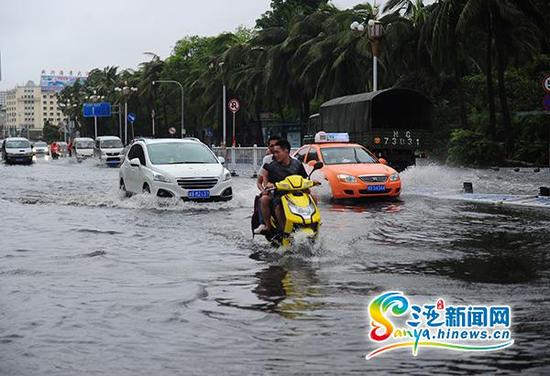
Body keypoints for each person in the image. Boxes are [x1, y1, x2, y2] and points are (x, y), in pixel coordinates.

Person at [255, 139, 309, 235]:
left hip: (296, 194)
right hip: (280, 195)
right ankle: (282, 230)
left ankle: (312, 223)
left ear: (286, 151)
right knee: (275, 205)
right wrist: (269, 185)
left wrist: (310, 184)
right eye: (274, 152)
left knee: (313, 198)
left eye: (277, 152)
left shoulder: (297, 164)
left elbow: (305, 178)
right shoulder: (271, 166)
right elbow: (266, 182)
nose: (275, 154)